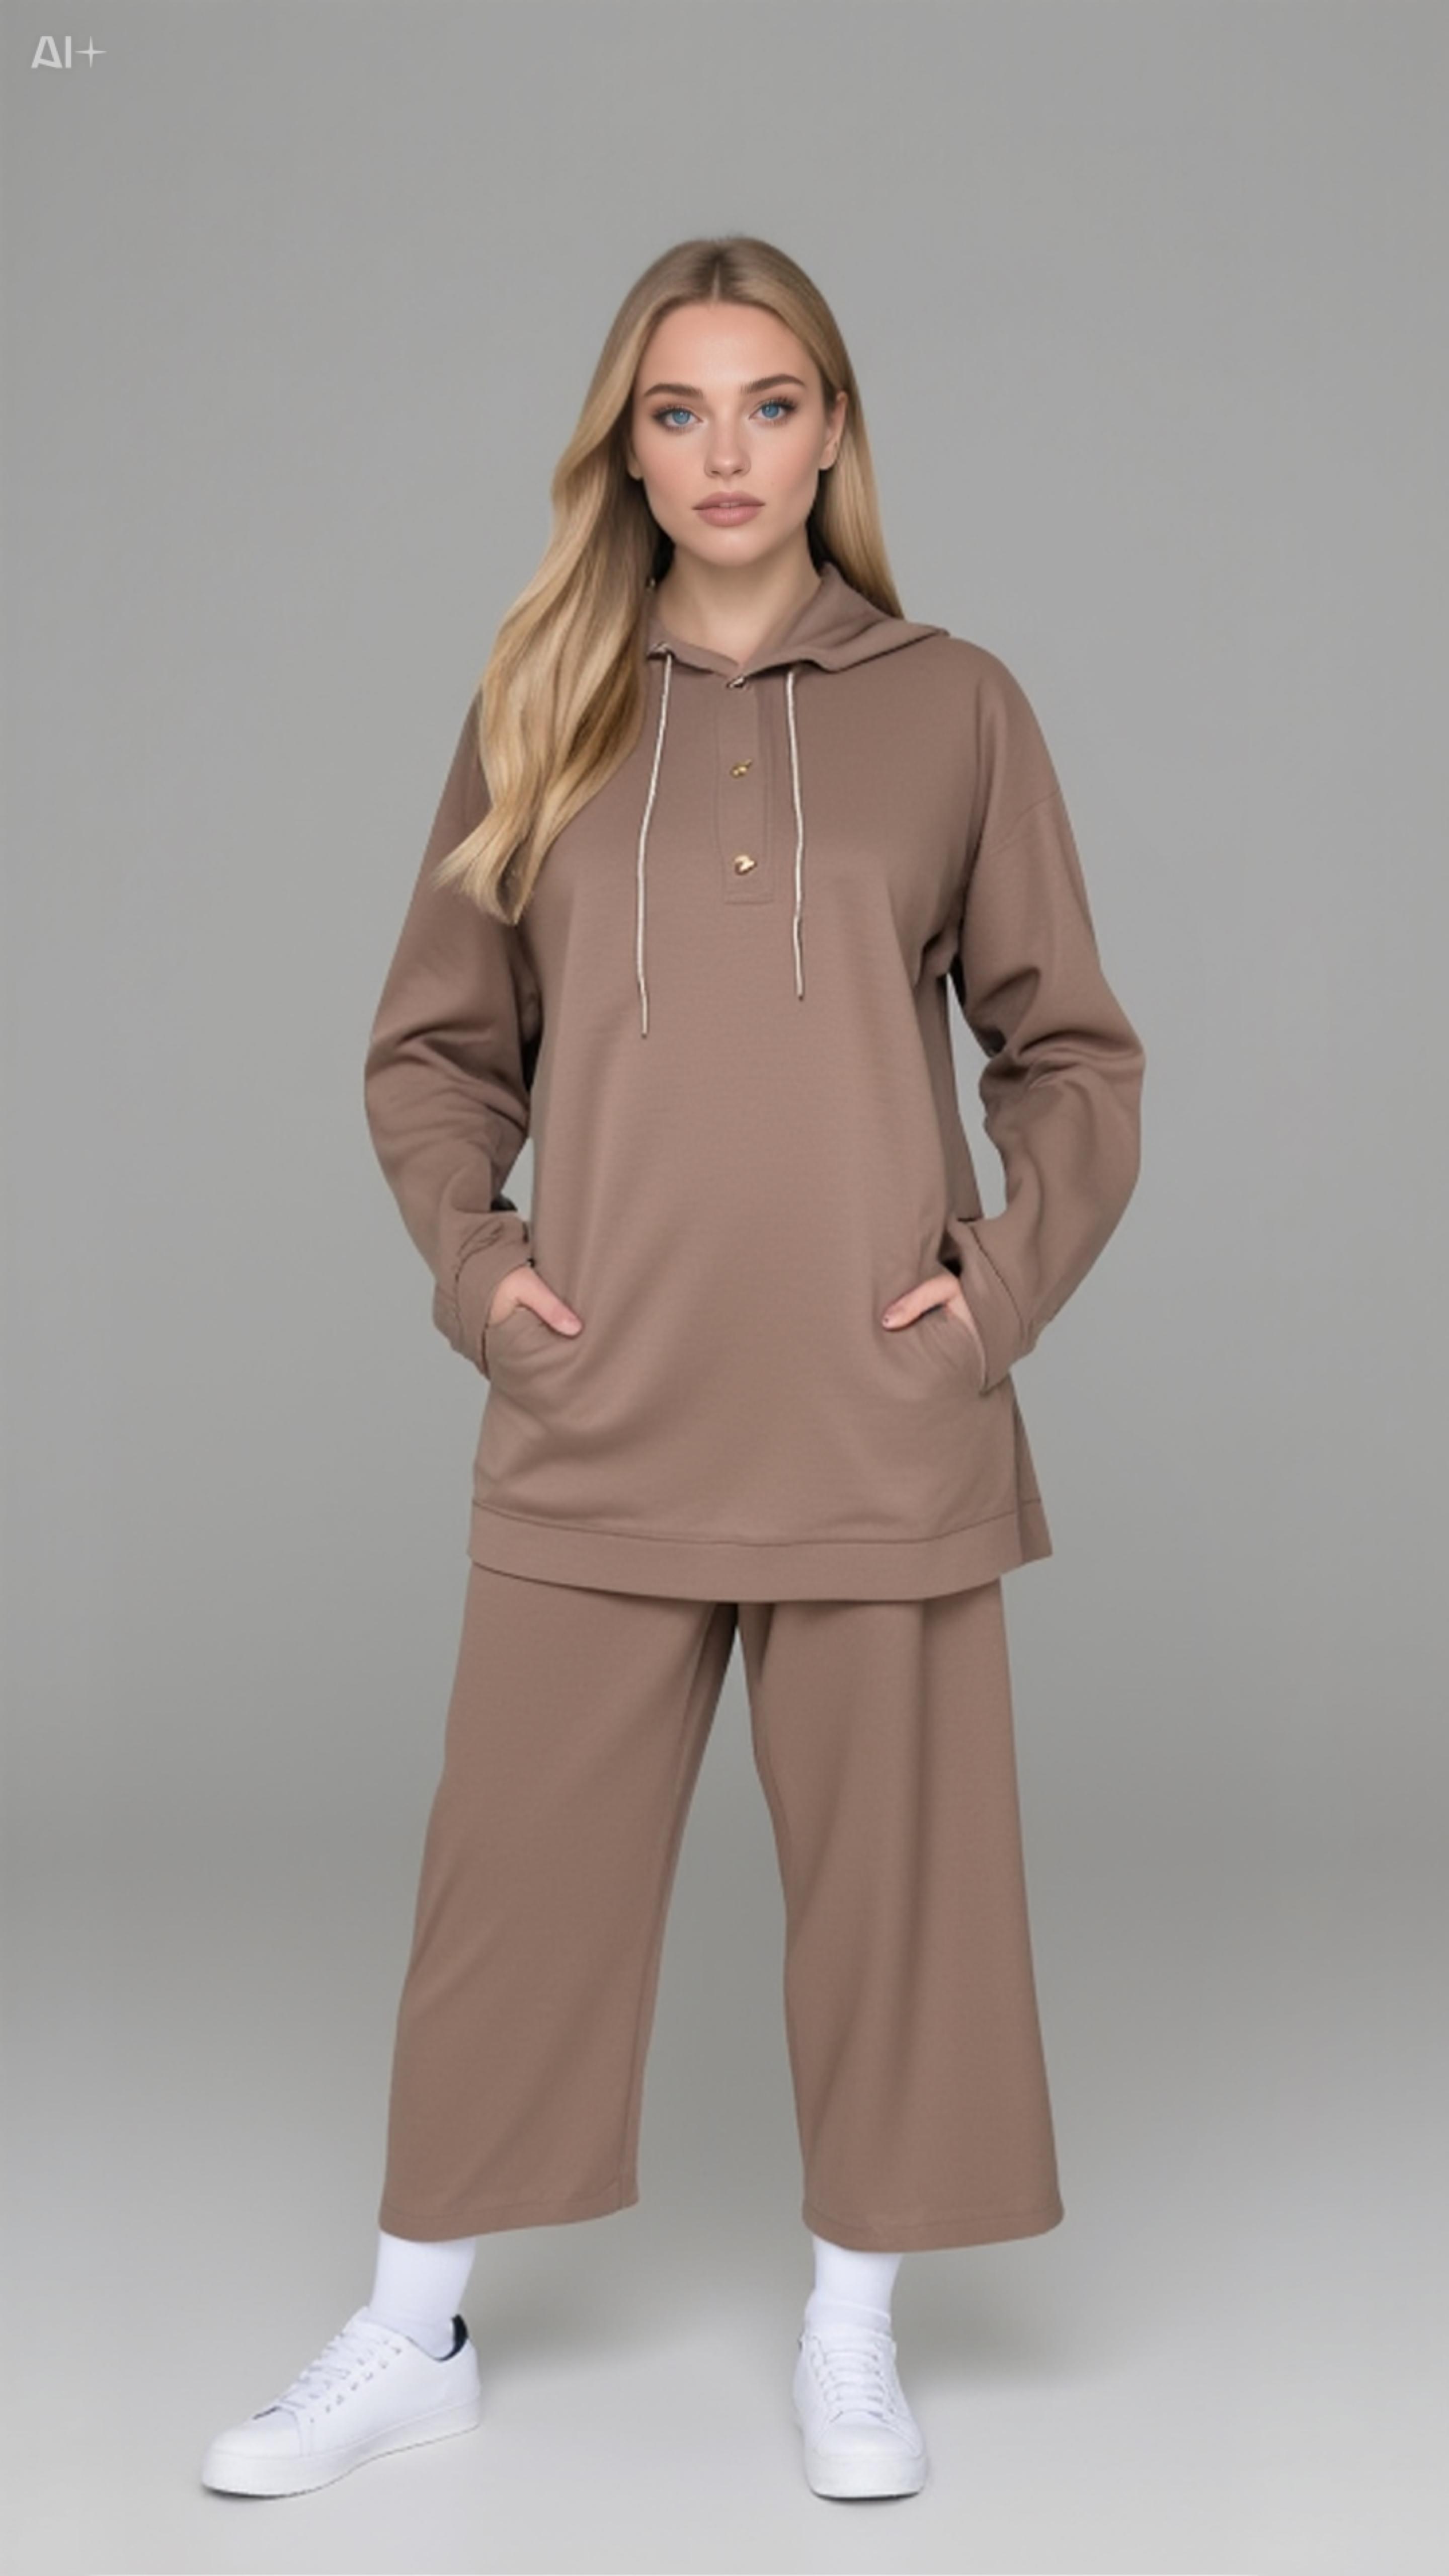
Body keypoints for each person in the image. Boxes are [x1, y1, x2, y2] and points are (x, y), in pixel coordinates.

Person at [201, 233, 1145, 2507]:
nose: (727, 451)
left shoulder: (956, 704)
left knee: (900, 1897)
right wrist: (482, 1276)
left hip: (875, 1417)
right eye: (679, 409)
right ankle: (413, 2325)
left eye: (770, 402)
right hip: (601, 1406)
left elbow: (1074, 1057)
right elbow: (433, 1055)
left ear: (834, 433)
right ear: (625, 449)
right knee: (508, 1887)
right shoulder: (541, 698)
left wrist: (995, 1297)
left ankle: (853, 2333)